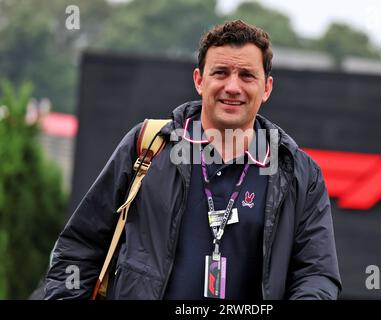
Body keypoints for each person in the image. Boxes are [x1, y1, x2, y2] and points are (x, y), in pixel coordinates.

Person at [44, 20, 341, 300]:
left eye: (247, 75)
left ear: (267, 87)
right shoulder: (149, 145)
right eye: (221, 72)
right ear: (199, 80)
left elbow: (317, 274)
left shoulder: (298, 172)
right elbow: (80, 247)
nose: (233, 86)